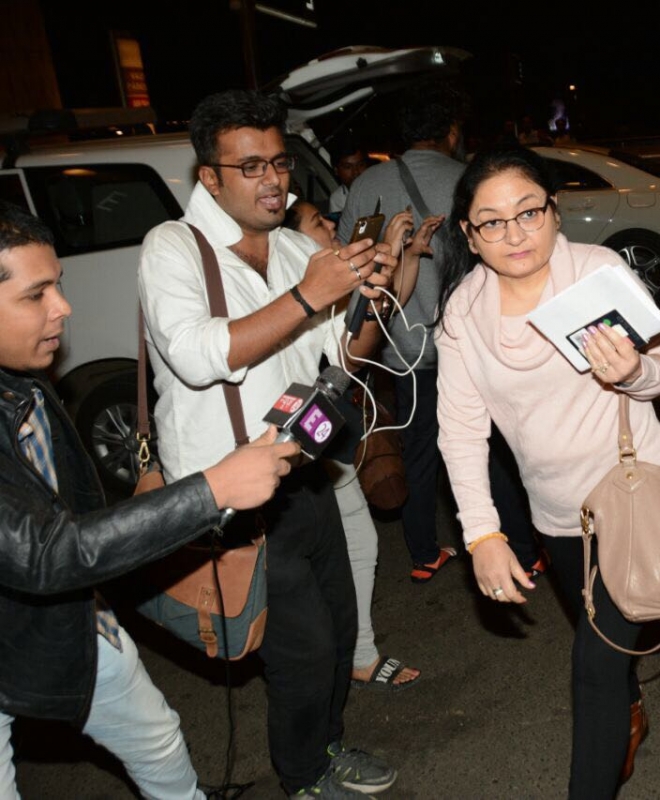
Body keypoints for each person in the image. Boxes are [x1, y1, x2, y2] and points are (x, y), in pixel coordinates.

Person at [138, 90, 398, 798]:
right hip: (234, 495)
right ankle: (302, 774)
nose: (274, 180)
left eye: (279, 162)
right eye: (249, 167)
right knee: (300, 648)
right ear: (209, 178)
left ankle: (328, 744)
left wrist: (370, 298)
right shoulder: (173, 248)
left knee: (340, 630)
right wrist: (313, 293)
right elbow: (198, 355)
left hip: (303, 473)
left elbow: (339, 362)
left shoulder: (290, 247)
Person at [0, 201, 299, 799]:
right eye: (36, 295)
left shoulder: (23, 378)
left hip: (66, 621)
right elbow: (44, 551)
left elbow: (74, 510)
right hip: (31, 616)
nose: (63, 308)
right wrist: (212, 488)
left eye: (57, 285)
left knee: (158, 737)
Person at [435, 147, 660, 798]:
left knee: (593, 662)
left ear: (553, 210)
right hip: (558, 516)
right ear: (469, 234)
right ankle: (628, 713)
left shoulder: (596, 274)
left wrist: (633, 372)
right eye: (491, 221)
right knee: (602, 638)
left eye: (528, 212)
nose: (513, 233)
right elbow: (461, 432)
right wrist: (484, 535)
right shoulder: (464, 313)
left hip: (640, 497)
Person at [339, 79, 541, 584]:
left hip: (401, 347)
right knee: (489, 445)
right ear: (452, 132)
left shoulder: (367, 186)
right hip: (471, 342)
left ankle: (423, 550)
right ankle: (521, 544)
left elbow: (347, 267)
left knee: (421, 449)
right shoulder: (473, 181)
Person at [284, 198, 428, 691]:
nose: (329, 225)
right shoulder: (297, 283)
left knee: (355, 541)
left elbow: (383, 316)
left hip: (325, 427)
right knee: (314, 556)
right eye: (316, 222)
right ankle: (339, 655)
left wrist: (401, 258)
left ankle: (355, 651)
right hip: (298, 434)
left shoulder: (332, 274)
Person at [327, 141, 368, 218]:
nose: (356, 172)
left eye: (360, 165)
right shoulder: (337, 199)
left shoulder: (379, 187)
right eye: (348, 167)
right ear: (336, 170)